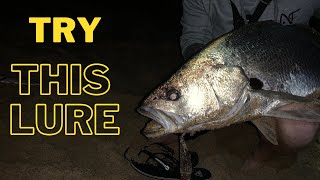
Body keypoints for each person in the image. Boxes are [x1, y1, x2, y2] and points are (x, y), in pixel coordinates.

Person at [178, 0, 320, 170]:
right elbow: (193, 36)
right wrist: (200, 78)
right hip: (228, 81)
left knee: (299, 133)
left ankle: (266, 150)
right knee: (163, 130)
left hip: (292, 77)